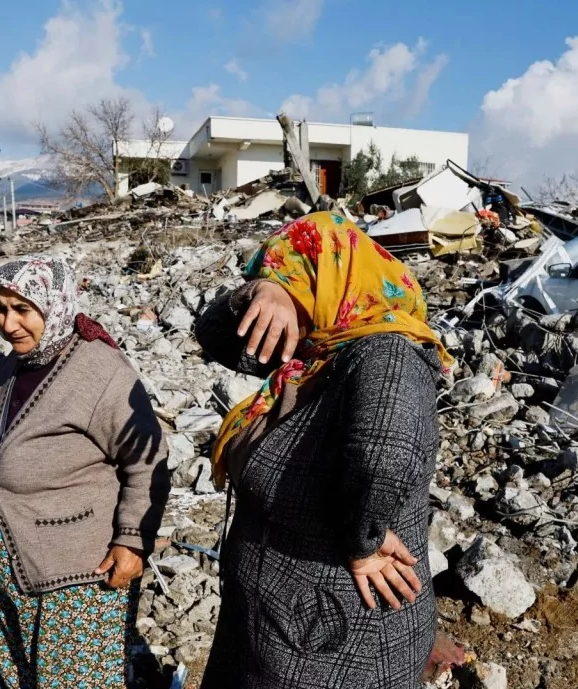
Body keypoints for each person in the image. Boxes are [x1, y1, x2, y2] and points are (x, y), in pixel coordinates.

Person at [193, 211, 452, 689]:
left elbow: (385, 455)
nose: (280, 293)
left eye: (290, 276)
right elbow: (212, 335)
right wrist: (263, 292)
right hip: (279, 627)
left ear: (330, 278)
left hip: (333, 638)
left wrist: (364, 545)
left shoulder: (384, 353)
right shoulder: (317, 353)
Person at [0, 256, 170, 689]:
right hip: (14, 566)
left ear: (55, 304)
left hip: (76, 574)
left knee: (77, 681)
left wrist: (133, 540)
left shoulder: (99, 372)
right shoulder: (23, 361)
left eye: (23, 310)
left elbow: (147, 458)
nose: (8, 324)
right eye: (0, 310)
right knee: (24, 677)